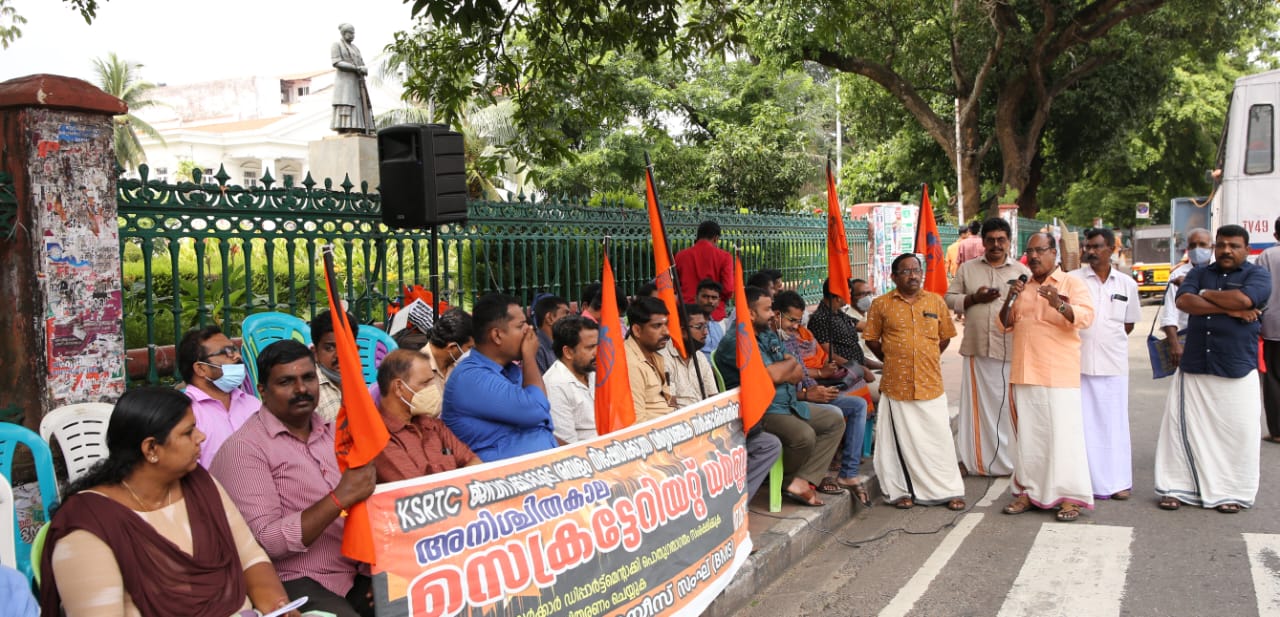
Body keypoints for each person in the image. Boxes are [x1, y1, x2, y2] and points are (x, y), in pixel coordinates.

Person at [39, 387, 299, 617]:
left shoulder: (199, 483)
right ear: (151, 449)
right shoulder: (88, 525)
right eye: (188, 432)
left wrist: (279, 608)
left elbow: (250, 557)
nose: (201, 437)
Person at [210, 341, 376, 617]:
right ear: (262, 391)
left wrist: (376, 573)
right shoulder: (244, 449)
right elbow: (267, 542)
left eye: (308, 378)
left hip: (354, 568)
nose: (301, 390)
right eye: (286, 381)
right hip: (292, 579)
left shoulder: (334, 433)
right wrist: (338, 498)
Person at [1156, 224, 1271, 513]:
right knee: (1181, 432)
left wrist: (1206, 295)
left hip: (1236, 366)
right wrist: (1229, 310)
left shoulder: (1258, 275)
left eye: (1233, 246)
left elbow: (1245, 299)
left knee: (1238, 433)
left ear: (1246, 249)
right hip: (1196, 363)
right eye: (1221, 245)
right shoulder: (1199, 271)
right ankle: (1176, 488)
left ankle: (1232, 492)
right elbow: (1184, 301)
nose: (1226, 251)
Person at [716, 286, 845, 507]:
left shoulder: (765, 333)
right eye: (767, 309)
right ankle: (787, 481)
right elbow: (771, 375)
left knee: (834, 420)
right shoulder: (737, 341)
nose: (772, 314)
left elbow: (795, 371)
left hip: (787, 402)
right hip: (760, 409)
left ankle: (801, 480)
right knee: (804, 435)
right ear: (750, 312)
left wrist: (784, 369)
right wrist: (785, 368)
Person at [998, 233, 1095, 523]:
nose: (1035, 256)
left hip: (1058, 373)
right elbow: (1005, 323)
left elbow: (1086, 317)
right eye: (1030, 251)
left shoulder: (1071, 283)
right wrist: (1010, 297)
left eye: (1041, 250)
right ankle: (1028, 491)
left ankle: (1070, 496)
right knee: (1029, 438)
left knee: (1063, 438)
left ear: (1054, 253)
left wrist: (1059, 304)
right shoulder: (1023, 285)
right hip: (1025, 372)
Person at [863, 255, 966, 510]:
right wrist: (893, 359)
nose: (913, 275)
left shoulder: (935, 301)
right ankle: (901, 492)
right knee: (898, 445)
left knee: (939, 439)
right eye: (906, 271)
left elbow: (945, 338)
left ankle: (950, 490)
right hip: (897, 386)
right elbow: (872, 339)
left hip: (930, 383)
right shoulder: (881, 304)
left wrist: (924, 357)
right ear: (894, 276)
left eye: (916, 270)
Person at [943, 217, 1030, 476]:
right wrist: (973, 298)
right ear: (982, 242)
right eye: (990, 240)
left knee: (1009, 407)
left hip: (1011, 349)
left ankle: (1011, 461)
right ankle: (975, 461)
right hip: (978, 347)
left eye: (1000, 240)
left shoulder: (1019, 272)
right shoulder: (968, 269)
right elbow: (949, 298)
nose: (995, 245)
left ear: (1009, 242)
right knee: (977, 409)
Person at [774, 290, 870, 506]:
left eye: (799, 322)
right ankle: (806, 479)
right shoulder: (768, 342)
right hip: (790, 402)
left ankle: (848, 472)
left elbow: (803, 374)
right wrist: (808, 393)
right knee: (833, 417)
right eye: (791, 320)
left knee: (857, 404)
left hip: (808, 394)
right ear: (776, 315)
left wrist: (817, 391)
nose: (796, 327)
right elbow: (777, 388)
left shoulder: (791, 337)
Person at [442, 293, 556, 461]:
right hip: (500, 482)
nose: (529, 331)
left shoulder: (510, 370)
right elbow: (537, 410)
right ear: (496, 336)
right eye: (521, 326)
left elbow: (543, 424)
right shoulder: (470, 378)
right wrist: (530, 357)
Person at [1071, 227, 1141, 500]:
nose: (1090, 251)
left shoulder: (1127, 284)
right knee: (1082, 426)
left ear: (1112, 249)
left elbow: (1129, 323)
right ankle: (1083, 481)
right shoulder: (1073, 280)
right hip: (1078, 363)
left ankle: (1118, 482)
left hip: (1113, 365)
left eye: (1096, 246)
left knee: (1114, 426)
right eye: (1087, 246)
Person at [373, 349, 482, 482]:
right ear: (399, 388)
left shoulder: (432, 424)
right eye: (425, 383)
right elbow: (417, 491)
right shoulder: (380, 436)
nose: (433, 389)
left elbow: (475, 463)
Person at [177, 326, 260, 468]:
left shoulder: (254, 405)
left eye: (234, 350)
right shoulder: (184, 412)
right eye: (226, 352)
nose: (237, 357)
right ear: (201, 369)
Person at [809, 278, 878, 390]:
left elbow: (862, 325)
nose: (849, 296)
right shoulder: (820, 319)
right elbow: (830, 356)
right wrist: (859, 369)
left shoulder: (838, 314)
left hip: (861, 371)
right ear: (838, 294)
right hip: (848, 377)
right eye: (848, 293)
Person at [1159, 228, 1213, 368]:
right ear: (1188, 248)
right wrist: (1175, 345)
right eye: (1193, 245)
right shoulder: (1178, 274)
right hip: (1188, 340)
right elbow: (1170, 314)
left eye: (1202, 244)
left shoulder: (1220, 271)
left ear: (1212, 247)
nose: (1197, 249)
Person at [544, 316, 600, 444]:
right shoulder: (555, 385)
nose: (597, 353)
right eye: (590, 348)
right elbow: (567, 444)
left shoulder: (593, 372)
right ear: (568, 352)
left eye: (597, 345)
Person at [625, 297, 677, 422]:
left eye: (666, 324)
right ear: (637, 330)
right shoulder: (630, 364)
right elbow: (636, 423)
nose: (666, 332)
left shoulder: (653, 354)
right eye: (657, 326)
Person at [660, 304, 719, 408]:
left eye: (705, 326)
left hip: (706, 419)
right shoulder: (663, 358)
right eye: (699, 327)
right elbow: (671, 405)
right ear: (682, 331)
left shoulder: (700, 357)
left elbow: (713, 397)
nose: (705, 332)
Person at [674, 221, 734, 321]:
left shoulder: (681, 256)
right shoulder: (724, 257)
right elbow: (728, 289)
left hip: (686, 312)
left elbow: (674, 287)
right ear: (716, 238)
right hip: (714, 313)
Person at [310, 309, 357, 423]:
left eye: (345, 347)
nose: (339, 355)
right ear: (315, 353)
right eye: (330, 348)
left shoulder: (356, 380)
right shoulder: (311, 391)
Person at [1257, 219, 1280, 442]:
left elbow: (1260, 292)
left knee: (1273, 378)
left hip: (1273, 326)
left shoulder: (1267, 256)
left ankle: (1277, 431)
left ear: (1276, 235)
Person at [330, 23, 373, 135]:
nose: (353, 35)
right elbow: (337, 62)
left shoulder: (355, 48)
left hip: (357, 81)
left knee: (359, 103)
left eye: (354, 33)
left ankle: (358, 127)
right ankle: (344, 127)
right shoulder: (337, 45)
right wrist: (356, 68)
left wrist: (363, 68)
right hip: (345, 82)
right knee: (347, 102)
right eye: (350, 33)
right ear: (344, 33)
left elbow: (361, 63)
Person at [532, 294, 570, 373]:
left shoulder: (561, 344)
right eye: (566, 314)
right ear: (549, 318)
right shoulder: (537, 348)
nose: (570, 319)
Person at [695, 279, 726, 359]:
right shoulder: (690, 326)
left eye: (714, 298)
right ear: (696, 298)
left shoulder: (718, 327)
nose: (710, 301)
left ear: (718, 301)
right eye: (705, 296)